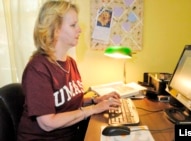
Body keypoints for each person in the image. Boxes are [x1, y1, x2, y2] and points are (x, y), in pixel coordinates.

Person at [17, 1, 121, 141]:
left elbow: (68, 102)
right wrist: (93, 109)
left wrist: (95, 100)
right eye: (73, 25)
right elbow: (48, 122)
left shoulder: (70, 62)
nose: (80, 30)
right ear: (55, 30)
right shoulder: (38, 69)